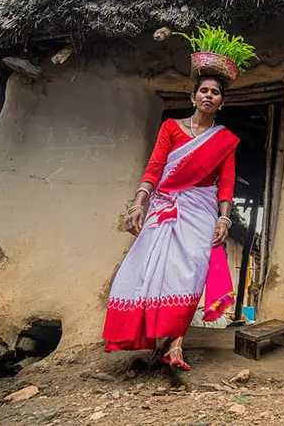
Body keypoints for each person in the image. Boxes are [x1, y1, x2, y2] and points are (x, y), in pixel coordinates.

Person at [102, 75, 240, 371]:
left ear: (222, 102)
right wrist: (138, 203)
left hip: (200, 211)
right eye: (203, 90)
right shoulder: (171, 128)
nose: (208, 95)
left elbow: (226, 183)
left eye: (215, 93)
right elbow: (154, 167)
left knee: (190, 273)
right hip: (165, 206)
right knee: (153, 270)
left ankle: (176, 345)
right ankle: (159, 339)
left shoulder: (224, 140)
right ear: (192, 98)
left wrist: (224, 217)